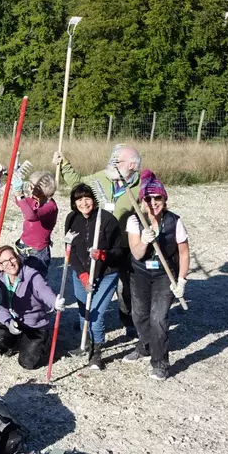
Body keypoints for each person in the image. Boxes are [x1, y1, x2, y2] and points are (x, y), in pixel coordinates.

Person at [54, 144, 144, 339]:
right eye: (112, 158)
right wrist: (64, 164)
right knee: (87, 282)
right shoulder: (101, 178)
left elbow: (148, 212)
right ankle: (85, 320)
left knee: (126, 288)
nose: (111, 162)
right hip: (97, 243)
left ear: (131, 165)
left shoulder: (139, 188)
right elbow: (78, 184)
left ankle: (129, 322)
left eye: (116, 160)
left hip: (125, 245)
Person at [123, 172, 190, 381]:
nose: (153, 203)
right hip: (140, 273)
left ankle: (160, 363)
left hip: (165, 274)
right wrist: (144, 239)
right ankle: (145, 347)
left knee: (158, 319)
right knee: (139, 316)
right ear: (142, 201)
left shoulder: (174, 222)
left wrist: (181, 280)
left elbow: (184, 253)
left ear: (164, 199)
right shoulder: (135, 221)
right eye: (148, 199)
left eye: (157, 198)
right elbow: (137, 253)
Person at [63, 183, 126, 370]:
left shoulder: (107, 220)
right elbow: (70, 250)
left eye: (87, 198)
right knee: (84, 312)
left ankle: (97, 351)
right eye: (79, 199)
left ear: (94, 199)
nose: (84, 202)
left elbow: (119, 252)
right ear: (74, 203)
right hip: (81, 273)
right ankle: (86, 343)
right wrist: (82, 275)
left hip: (106, 274)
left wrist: (104, 255)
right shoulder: (72, 218)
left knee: (95, 315)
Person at [0, 245, 64, 370]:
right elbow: (0, 306)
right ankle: (17, 342)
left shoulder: (31, 274)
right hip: (15, 321)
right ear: (0, 266)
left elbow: (43, 290)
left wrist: (54, 302)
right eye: (4, 261)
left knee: (27, 363)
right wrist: (8, 322)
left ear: (17, 258)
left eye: (12, 259)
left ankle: (44, 343)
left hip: (34, 324)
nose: (10, 264)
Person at [14, 171, 58, 274]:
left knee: (34, 280)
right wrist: (16, 190)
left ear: (41, 191)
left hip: (37, 252)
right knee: (21, 277)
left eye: (32, 186)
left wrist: (20, 195)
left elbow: (31, 216)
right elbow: (20, 203)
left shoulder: (50, 207)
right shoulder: (35, 200)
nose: (29, 188)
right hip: (24, 246)